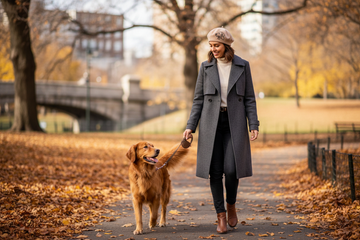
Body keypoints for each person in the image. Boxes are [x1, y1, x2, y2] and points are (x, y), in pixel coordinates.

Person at [183, 27, 259, 234]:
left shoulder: (243, 66)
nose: (213, 49)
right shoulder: (206, 67)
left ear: (226, 46)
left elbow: (250, 98)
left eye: (216, 45)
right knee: (214, 172)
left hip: (233, 123)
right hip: (210, 124)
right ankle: (221, 216)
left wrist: (254, 123)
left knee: (232, 170)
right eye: (211, 45)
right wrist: (190, 126)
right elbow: (198, 99)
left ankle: (231, 204)